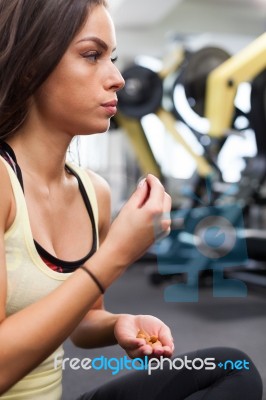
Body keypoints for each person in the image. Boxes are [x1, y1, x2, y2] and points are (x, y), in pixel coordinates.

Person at [0, 0, 263, 399]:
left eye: (113, 58)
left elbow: (84, 320)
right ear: (32, 66)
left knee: (233, 371)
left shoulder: (93, 193)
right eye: (92, 55)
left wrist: (118, 323)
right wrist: (116, 254)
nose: (118, 78)